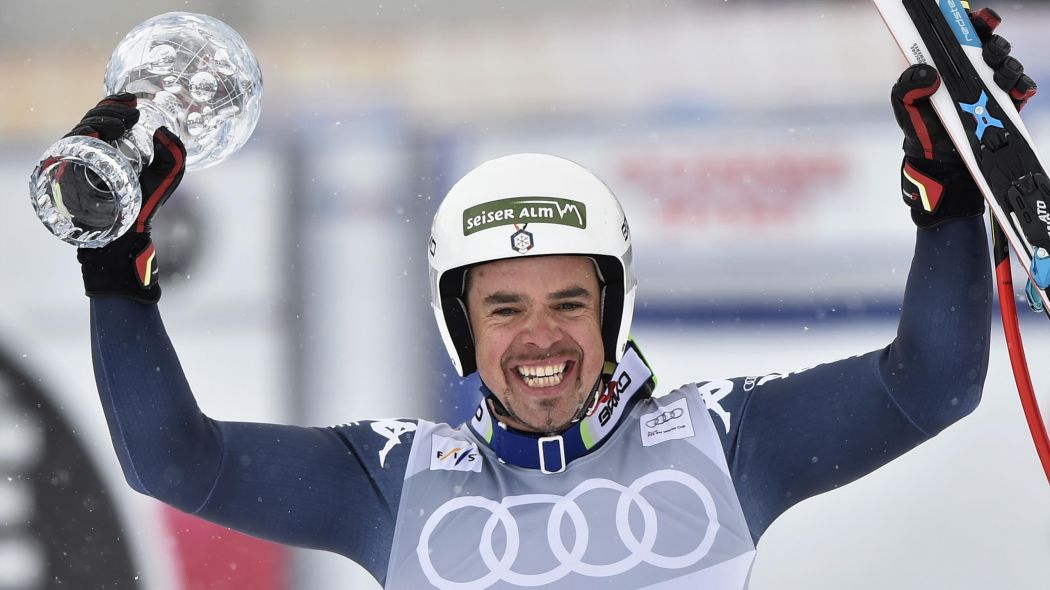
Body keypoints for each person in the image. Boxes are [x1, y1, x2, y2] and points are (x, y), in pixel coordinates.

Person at [70, 8, 1033, 589]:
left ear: (613, 315)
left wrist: (945, 200)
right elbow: (172, 463)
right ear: (461, 328)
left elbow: (932, 386)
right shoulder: (393, 481)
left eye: (570, 303)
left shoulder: (726, 442)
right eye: (503, 308)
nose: (541, 336)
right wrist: (114, 266)